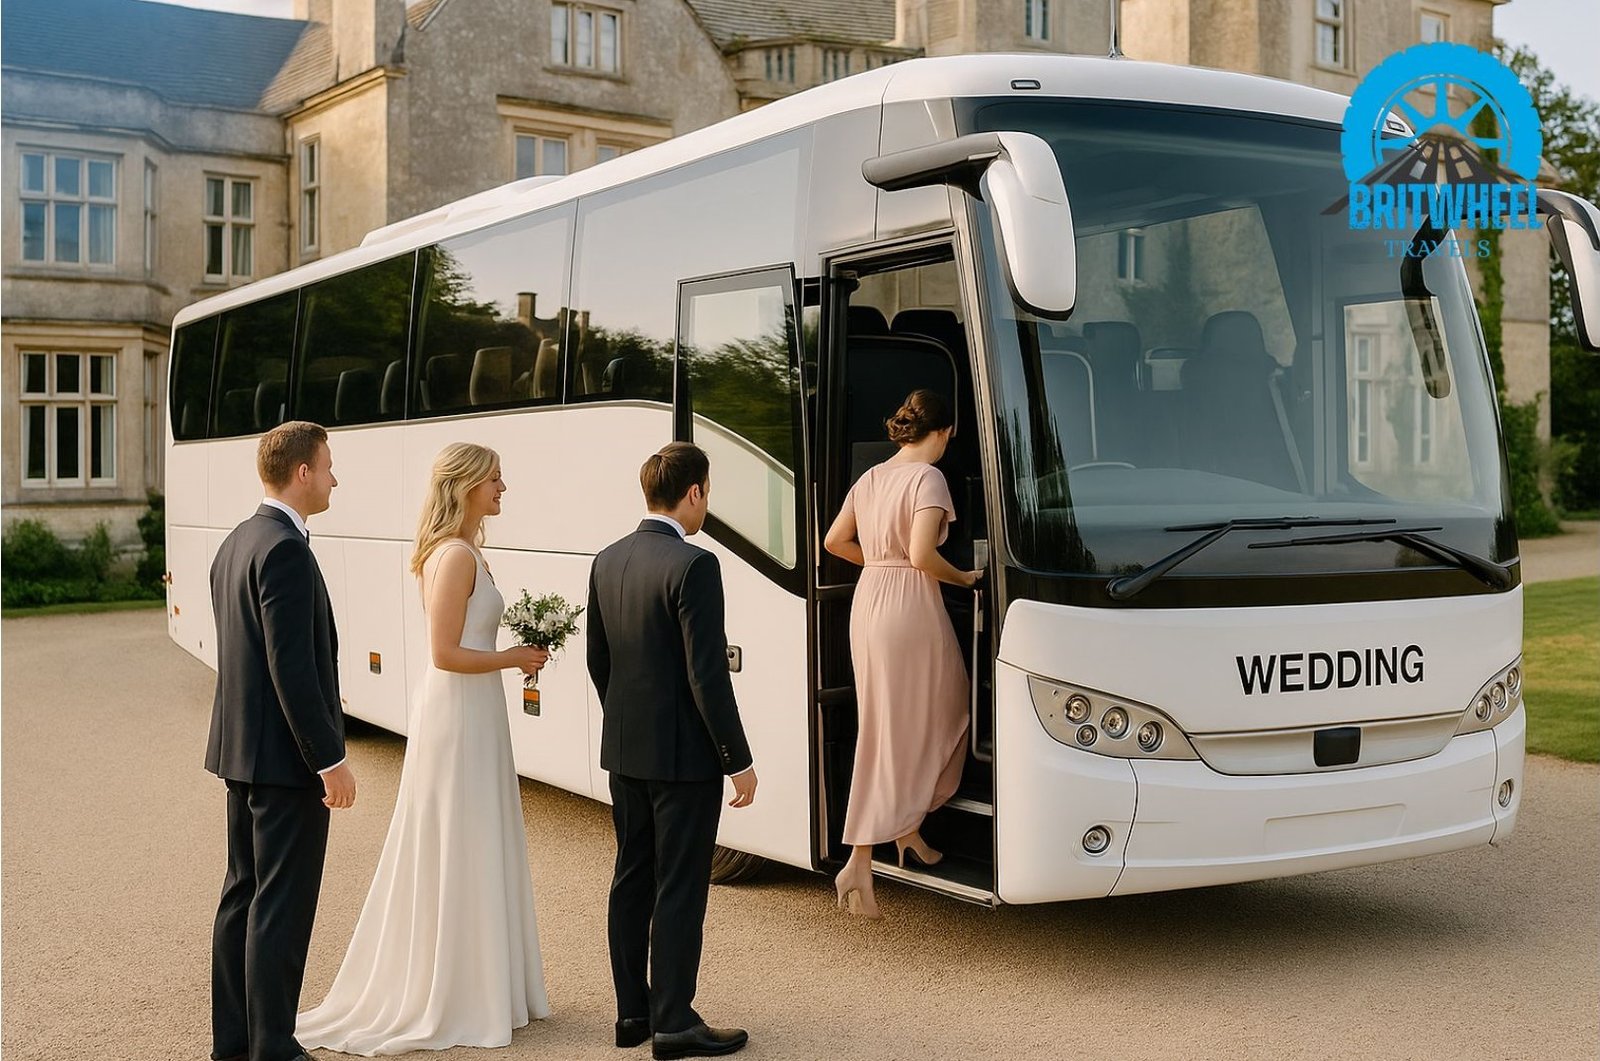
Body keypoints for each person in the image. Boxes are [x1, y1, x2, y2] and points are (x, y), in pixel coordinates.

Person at [296, 443, 551, 1054]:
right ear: (466, 486)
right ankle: (458, 991)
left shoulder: (465, 551)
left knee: (475, 835)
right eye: (495, 479)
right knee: (459, 836)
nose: (502, 489)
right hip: (457, 710)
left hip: (474, 709)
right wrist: (515, 658)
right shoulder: (457, 555)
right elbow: (444, 653)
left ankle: (484, 983)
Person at [587, 442, 758, 1060]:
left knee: (631, 878)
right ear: (694, 493)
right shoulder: (695, 565)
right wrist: (736, 757)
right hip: (685, 759)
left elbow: (598, 662)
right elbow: (706, 674)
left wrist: (631, 724)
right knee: (681, 887)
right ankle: (676, 1022)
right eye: (707, 493)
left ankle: (633, 1015)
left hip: (626, 751)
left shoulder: (607, 560)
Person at [208, 420, 357, 1061]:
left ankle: (235, 1045)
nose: (333, 478)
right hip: (286, 762)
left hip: (240, 752)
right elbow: (291, 668)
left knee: (242, 894)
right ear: (302, 472)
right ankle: (274, 1046)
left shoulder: (236, 541)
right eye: (328, 466)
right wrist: (331, 761)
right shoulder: (286, 549)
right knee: (282, 906)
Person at [823, 390, 982, 920]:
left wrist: (879, 562)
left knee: (889, 722)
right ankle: (861, 856)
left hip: (870, 601)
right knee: (949, 708)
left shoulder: (871, 477)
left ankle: (907, 829)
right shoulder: (929, 478)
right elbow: (921, 554)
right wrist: (963, 578)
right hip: (911, 605)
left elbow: (833, 541)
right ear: (944, 432)